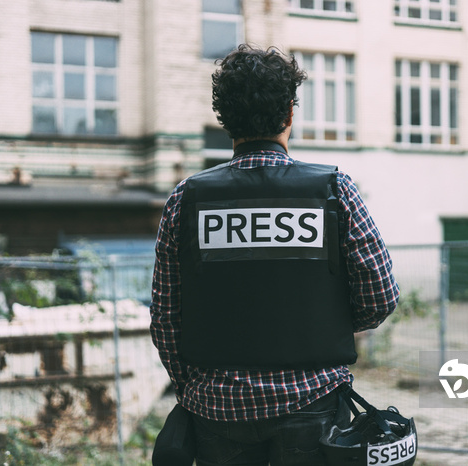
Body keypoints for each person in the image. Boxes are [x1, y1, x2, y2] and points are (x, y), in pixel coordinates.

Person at [150, 44, 400, 466]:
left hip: (217, 410)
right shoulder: (335, 190)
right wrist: (320, 323)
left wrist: (193, 385)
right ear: (289, 114)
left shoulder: (185, 200)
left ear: (223, 118)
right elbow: (380, 297)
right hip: (314, 406)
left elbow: (166, 318)